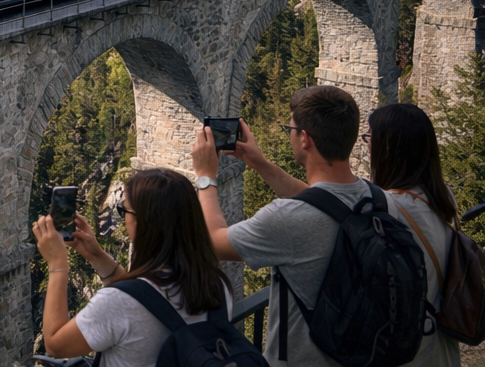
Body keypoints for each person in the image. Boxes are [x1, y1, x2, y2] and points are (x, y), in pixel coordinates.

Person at [191, 84, 371, 365]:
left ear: (305, 139)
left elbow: (213, 242)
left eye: (291, 130)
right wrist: (260, 163)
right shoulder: (375, 197)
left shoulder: (286, 220)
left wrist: (205, 177)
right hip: (364, 352)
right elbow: (322, 201)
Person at [33, 168, 235, 367]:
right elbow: (146, 298)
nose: (124, 218)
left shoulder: (117, 304)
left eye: (125, 211)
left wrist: (57, 265)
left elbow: (55, 345)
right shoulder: (216, 284)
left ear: (141, 223)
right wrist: (97, 255)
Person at [369, 103, 462, 367]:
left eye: (370, 138)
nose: (366, 146)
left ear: (390, 148)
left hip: (407, 353)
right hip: (441, 348)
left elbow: (324, 205)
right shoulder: (441, 195)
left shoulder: (388, 208)